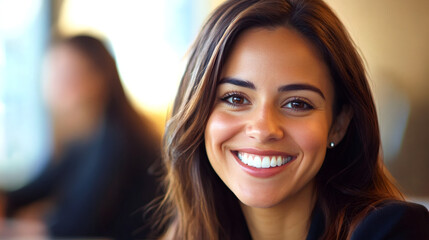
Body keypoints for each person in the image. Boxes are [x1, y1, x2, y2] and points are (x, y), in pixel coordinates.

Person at [159, 0, 429, 239]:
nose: (263, 129)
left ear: (339, 124)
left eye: (297, 103)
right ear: (197, 112)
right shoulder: (187, 233)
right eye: (235, 99)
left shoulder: (391, 231)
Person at [0, 35, 162, 239]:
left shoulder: (119, 141)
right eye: (52, 75)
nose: (54, 86)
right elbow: (32, 190)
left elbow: (74, 225)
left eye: (65, 75)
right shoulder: (85, 138)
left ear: (98, 79)